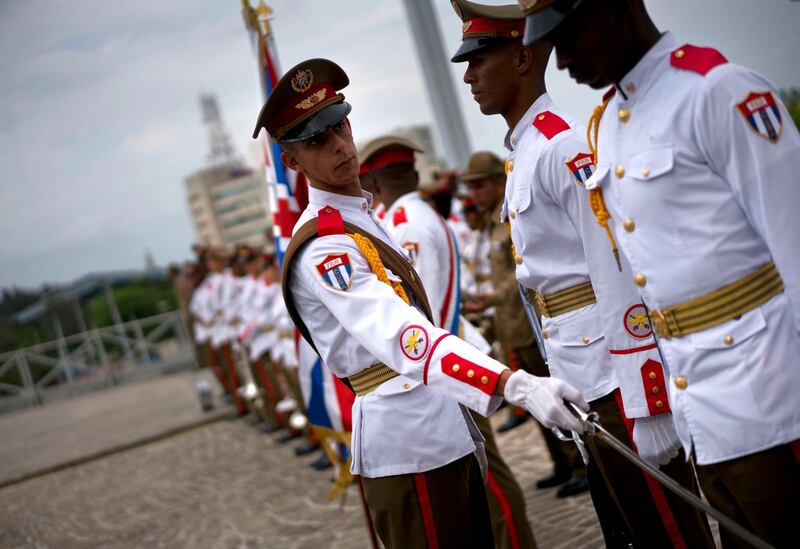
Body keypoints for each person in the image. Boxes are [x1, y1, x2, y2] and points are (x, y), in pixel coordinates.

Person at [252, 57, 588, 548]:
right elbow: (403, 336)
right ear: (292, 162)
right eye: (317, 142)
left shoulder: (362, 219)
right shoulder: (326, 247)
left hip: (436, 427)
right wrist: (510, 383)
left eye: (339, 125)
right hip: (406, 443)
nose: (340, 145)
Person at [520, 1, 800, 546]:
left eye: (570, 34)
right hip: (701, 409)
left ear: (620, 9)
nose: (563, 58)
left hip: (771, 398)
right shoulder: (609, 125)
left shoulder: (717, 92)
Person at [450, 1, 714, 547]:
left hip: (614, 375)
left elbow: (615, 264)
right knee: (629, 527)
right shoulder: (523, 149)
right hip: (580, 371)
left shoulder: (558, 145)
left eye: (481, 60)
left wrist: (646, 398)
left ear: (524, 58)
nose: (470, 76)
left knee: (666, 528)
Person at [359, 134, 539, 548]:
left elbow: (412, 308)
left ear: (376, 182)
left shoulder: (408, 225)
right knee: (484, 476)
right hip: (448, 357)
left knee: (489, 480)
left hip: (444, 366)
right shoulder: (415, 218)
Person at [461, 151, 588, 498]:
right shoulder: (488, 224)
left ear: (498, 182)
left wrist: (493, 298)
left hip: (531, 325)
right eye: (471, 187)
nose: (475, 194)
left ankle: (578, 464)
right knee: (534, 404)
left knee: (552, 396)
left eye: (481, 185)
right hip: (510, 327)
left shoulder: (508, 220)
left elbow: (522, 273)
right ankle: (561, 464)